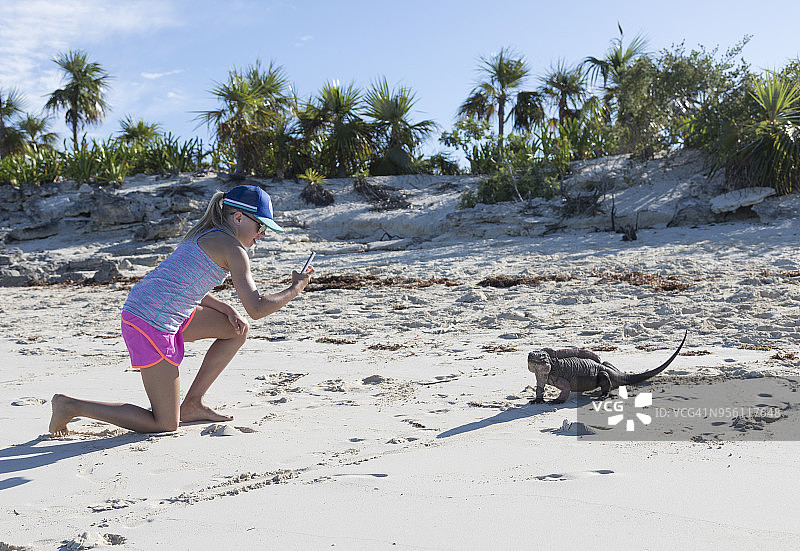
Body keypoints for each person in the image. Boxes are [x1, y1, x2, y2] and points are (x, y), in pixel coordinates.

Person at [49, 184, 313, 436]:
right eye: (260, 226)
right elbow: (256, 308)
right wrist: (295, 288)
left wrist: (224, 306)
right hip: (149, 321)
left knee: (236, 329)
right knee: (164, 423)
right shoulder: (233, 249)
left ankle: (193, 404)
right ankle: (71, 406)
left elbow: (180, 283)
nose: (262, 234)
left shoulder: (206, 233)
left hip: (153, 309)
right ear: (238, 217)